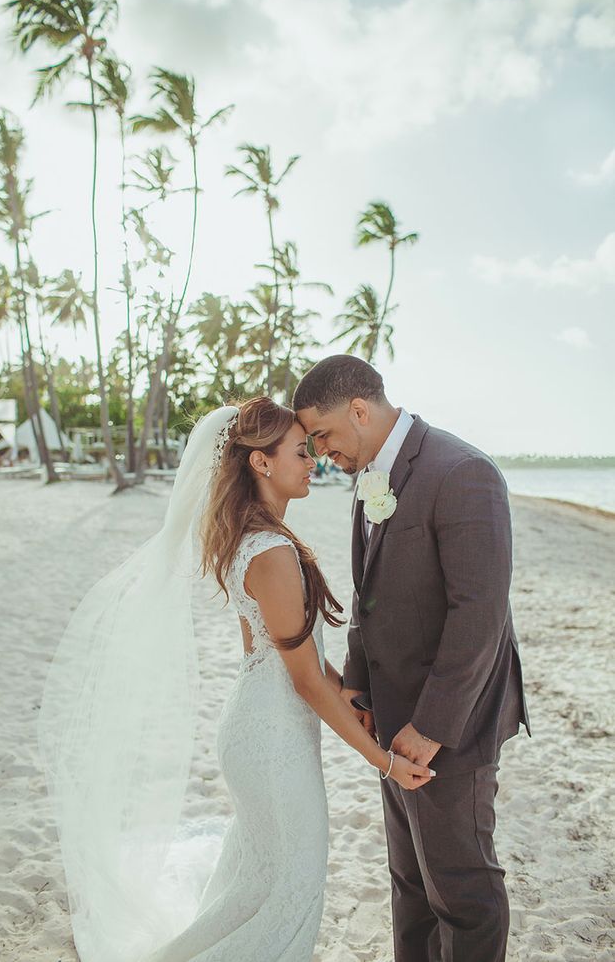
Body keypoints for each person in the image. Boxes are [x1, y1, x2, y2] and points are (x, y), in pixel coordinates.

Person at [37, 396, 433, 962]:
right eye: (300, 452)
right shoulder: (270, 552)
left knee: (258, 885)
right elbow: (303, 680)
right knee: (292, 888)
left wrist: (350, 693)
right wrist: (383, 761)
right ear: (261, 462)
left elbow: (300, 654)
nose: (313, 462)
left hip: (265, 729)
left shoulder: (258, 537)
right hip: (272, 740)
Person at [293, 354, 531, 962]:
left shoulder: (463, 471)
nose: (320, 452)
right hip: (393, 716)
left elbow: (479, 614)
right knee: (411, 884)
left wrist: (432, 726)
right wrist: (357, 683)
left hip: (451, 723)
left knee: (462, 888)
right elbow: (369, 595)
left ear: (359, 410)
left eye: (322, 434)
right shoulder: (371, 477)